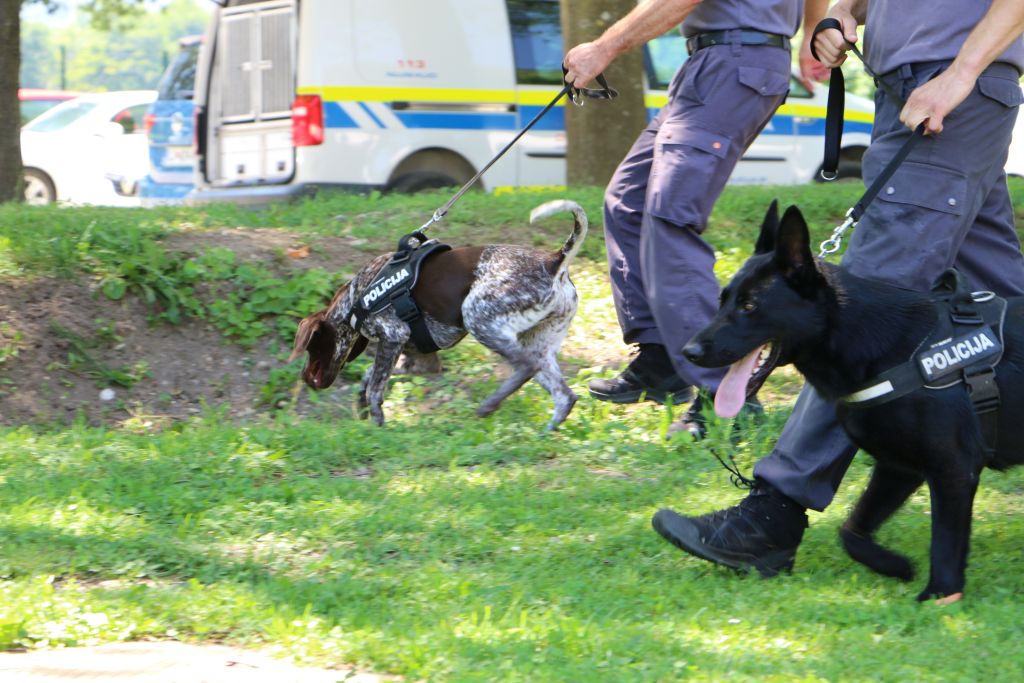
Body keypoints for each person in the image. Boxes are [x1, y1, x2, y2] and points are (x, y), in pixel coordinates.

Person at [652, 0, 1024, 577]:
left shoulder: (957, 78)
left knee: (855, 322)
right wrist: (843, 13)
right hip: (914, 92)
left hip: (952, 91)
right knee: (1010, 316)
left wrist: (960, 74)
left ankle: (771, 518)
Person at [564, 0, 829, 436]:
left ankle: (723, 393)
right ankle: (663, 357)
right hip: (716, 62)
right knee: (628, 200)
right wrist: (813, 30)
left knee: (671, 217)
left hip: (733, 61)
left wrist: (604, 47)